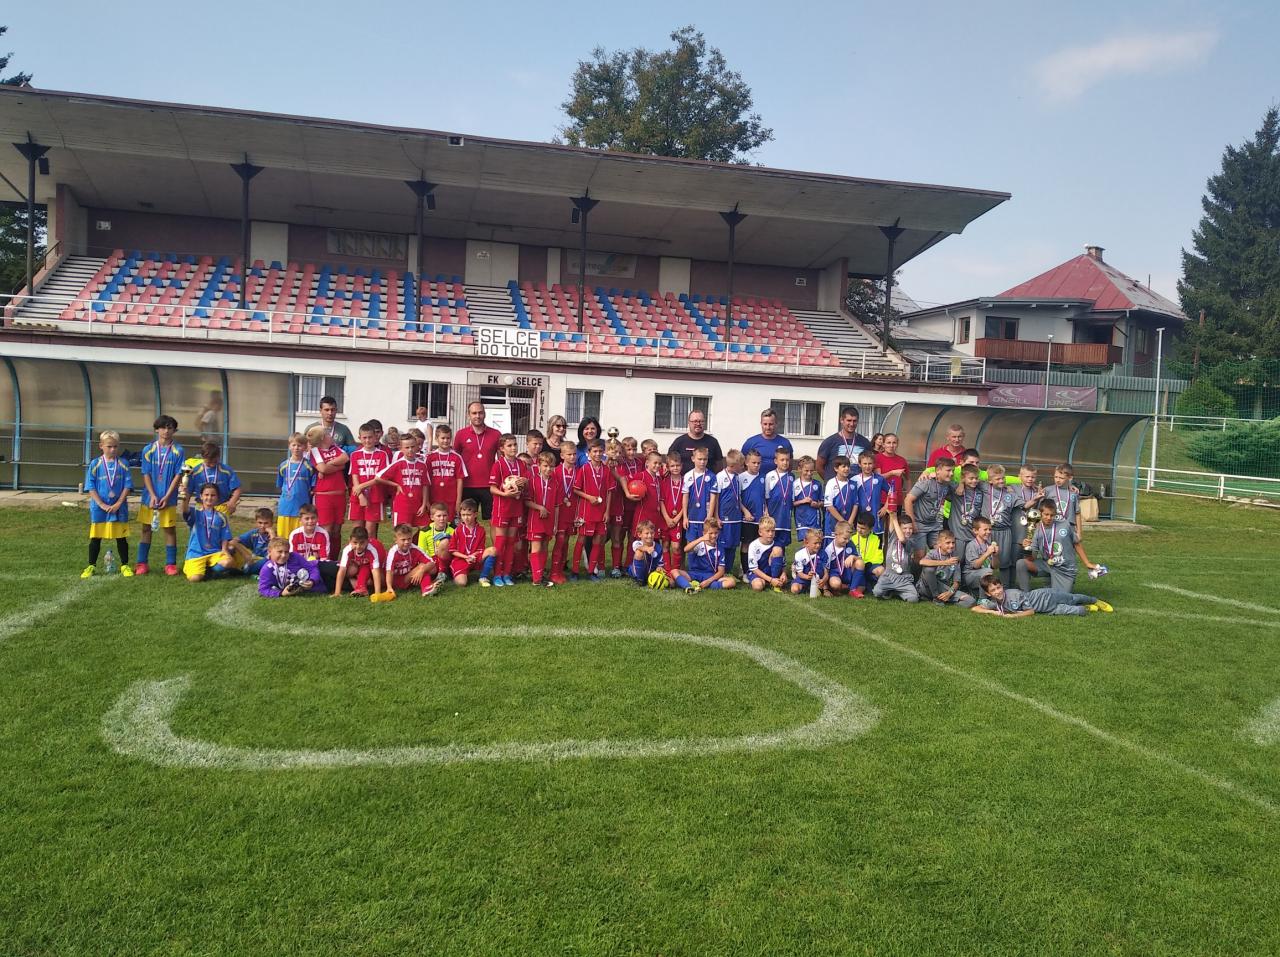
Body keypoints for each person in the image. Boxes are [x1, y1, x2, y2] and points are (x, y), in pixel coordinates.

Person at [1015, 499, 1104, 593]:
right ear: (1040, 513)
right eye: (1046, 514)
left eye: (1052, 515)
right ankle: (1025, 595)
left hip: (1065, 568)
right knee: (1021, 563)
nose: (1049, 518)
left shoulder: (1065, 525)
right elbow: (1032, 558)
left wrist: (1087, 563)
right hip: (1047, 564)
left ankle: (1058, 586)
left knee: (1059, 598)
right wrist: (1026, 548)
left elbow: (1076, 543)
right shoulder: (1037, 531)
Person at [136, 414, 184, 576]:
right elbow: (146, 473)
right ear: (157, 429)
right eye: (163, 427)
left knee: (169, 530)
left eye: (170, 428)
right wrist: (152, 495)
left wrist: (167, 496)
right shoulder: (148, 450)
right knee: (146, 529)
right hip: (149, 498)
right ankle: (142, 563)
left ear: (174, 431)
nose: (166, 431)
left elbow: (178, 475)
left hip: (168, 498)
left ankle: (170, 564)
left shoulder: (178, 451)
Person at [82, 430, 133, 578]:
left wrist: (118, 503)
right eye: (109, 446)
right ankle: (91, 566)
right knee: (95, 537)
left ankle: (125, 565)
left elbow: (127, 486)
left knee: (121, 537)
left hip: (119, 508)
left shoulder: (123, 464)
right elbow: (90, 486)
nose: (113, 450)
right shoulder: (95, 464)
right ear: (101, 446)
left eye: (115, 446)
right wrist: (101, 504)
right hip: (99, 508)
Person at [488, 433, 529, 587]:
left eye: (515, 445)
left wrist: (524, 482)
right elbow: (492, 488)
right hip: (502, 508)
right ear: (502, 449)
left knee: (512, 542)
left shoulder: (521, 464)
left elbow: (525, 482)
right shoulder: (498, 465)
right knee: (501, 542)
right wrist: (504, 493)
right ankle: (497, 574)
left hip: (516, 508)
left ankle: (506, 573)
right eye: (509, 446)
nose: (513, 448)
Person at [180, 482, 238, 582]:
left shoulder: (221, 516)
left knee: (229, 562)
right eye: (206, 495)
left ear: (217, 497)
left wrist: (225, 550)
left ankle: (210, 570)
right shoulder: (195, 513)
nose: (209, 498)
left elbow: (225, 536)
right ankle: (194, 567)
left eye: (213, 495)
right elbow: (185, 510)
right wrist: (184, 497)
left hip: (214, 552)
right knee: (195, 579)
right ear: (201, 496)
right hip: (197, 553)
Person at [973, 576, 1113, 617]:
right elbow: (975, 608)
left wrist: (1013, 616)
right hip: (1047, 610)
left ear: (1002, 586)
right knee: (1077, 611)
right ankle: (1087, 607)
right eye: (993, 590)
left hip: (1048, 596)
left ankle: (1095, 600)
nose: (997, 591)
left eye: (998, 587)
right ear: (988, 594)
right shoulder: (995, 603)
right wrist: (991, 612)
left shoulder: (1013, 594)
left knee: (1073, 598)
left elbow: (1030, 611)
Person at [453, 401, 502, 519]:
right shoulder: (461, 434)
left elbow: (501, 460)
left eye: (480, 413)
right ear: (468, 415)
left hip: (490, 485)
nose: (477, 416)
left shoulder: (496, 434)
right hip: (467, 484)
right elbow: (455, 460)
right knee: (467, 519)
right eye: (474, 413)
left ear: (485, 414)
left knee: (493, 520)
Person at [306, 425, 348, 558]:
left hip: (339, 494)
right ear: (322, 438)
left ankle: (334, 560)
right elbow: (322, 469)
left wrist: (328, 465)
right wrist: (337, 466)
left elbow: (345, 459)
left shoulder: (335, 448)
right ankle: (325, 558)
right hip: (324, 496)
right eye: (329, 435)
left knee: (337, 530)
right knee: (326, 530)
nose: (332, 437)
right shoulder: (315, 451)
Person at [572, 438, 610, 581]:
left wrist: (607, 511)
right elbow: (576, 489)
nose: (598, 454)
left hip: (601, 511)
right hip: (586, 510)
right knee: (581, 539)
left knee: (598, 540)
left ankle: (591, 572)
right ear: (589, 453)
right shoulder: (584, 469)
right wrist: (589, 497)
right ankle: (575, 571)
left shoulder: (606, 470)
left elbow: (609, 492)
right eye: (595, 451)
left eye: (600, 451)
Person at [375, 523, 442, 599]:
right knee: (422, 567)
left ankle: (426, 589)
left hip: (406, 578)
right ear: (396, 540)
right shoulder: (393, 552)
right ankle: (427, 586)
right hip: (392, 579)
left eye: (409, 539)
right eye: (403, 540)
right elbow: (389, 571)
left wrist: (422, 571)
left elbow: (432, 563)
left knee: (426, 567)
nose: (407, 542)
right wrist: (389, 587)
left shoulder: (415, 548)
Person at [348, 421, 391, 541]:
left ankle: (371, 553)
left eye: (370, 437)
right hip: (358, 496)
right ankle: (355, 552)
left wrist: (360, 487)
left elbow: (380, 478)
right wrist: (360, 494)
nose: (367, 440)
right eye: (364, 438)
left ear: (375, 437)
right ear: (359, 438)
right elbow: (354, 475)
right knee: (357, 530)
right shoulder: (355, 454)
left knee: (370, 531)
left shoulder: (382, 454)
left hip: (375, 496)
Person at [526, 450, 562, 587]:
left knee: (545, 546)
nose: (548, 469)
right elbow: (526, 501)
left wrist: (556, 524)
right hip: (535, 519)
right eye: (545, 466)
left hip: (550, 520)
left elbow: (557, 505)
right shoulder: (532, 480)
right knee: (536, 547)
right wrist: (540, 507)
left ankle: (540, 574)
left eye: (551, 466)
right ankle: (537, 579)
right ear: (539, 465)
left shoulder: (555, 482)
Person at [377, 433, 428, 530]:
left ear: (417, 447)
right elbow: (378, 477)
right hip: (402, 505)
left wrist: (424, 504)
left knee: (425, 530)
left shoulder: (422, 465)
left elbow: (425, 485)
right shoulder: (398, 464)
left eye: (412, 446)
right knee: (403, 532)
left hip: (418, 504)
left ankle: (415, 541)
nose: (410, 450)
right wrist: (396, 485)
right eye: (407, 447)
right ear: (401, 448)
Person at [904, 456, 953, 556]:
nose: (951, 473)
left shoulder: (947, 485)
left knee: (941, 552)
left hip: (935, 524)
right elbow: (908, 500)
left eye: (953, 471)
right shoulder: (926, 482)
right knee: (920, 556)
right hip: (920, 524)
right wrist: (912, 523)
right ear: (938, 470)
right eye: (948, 470)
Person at [673, 518, 736, 592]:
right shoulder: (700, 544)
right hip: (694, 574)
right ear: (704, 533)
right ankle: (689, 587)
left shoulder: (720, 548)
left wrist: (708, 581)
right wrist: (701, 539)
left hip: (710, 576)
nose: (714, 536)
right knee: (674, 571)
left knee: (731, 582)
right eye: (710, 533)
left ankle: (702, 585)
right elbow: (686, 549)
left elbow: (721, 571)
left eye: (716, 533)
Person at [612, 436, 644, 577]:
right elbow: (621, 478)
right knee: (619, 536)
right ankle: (616, 565)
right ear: (623, 450)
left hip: (637, 505)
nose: (631, 452)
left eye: (634, 449)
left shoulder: (640, 462)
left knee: (633, 536)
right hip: (622, 504)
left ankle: (628, 564)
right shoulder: (620, 463)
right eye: (628, 449)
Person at [917, 529, 975, 606]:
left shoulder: (954, 558)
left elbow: (956, 582)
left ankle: (942, 598)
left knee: (970, 600)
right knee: (929, 569)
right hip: (926, 587)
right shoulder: (933, 553)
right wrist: (945, 562)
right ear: (939, 543)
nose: (951, 545)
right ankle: (936, 597)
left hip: (943, 588)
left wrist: (950, 593)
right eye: (948, 543)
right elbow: (922, 562)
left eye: (953, 543)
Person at [275, 433, 316, 539]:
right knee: (283, 538)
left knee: (299, 538)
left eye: (299, 445)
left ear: (305, 447)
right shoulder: (283, 465)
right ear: (289, 446)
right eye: (294, 445)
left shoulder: (309, 466)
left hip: (302, 508)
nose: (296, 448)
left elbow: (313, 487)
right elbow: (280, 485)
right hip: (285, 508)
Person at [258, 537, 330, 598]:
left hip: (322, 569)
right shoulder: (267, 569)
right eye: (279, 552)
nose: (283, 555)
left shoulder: (294, 556)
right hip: (325, 586)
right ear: (269, 552)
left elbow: (312, 569)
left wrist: (312, 581)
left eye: (286, 552)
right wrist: (281, 593)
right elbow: (263, 590)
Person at [873, 511, 919, 602]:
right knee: (877, 592)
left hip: (904, 578)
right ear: (898, 528)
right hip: (889, 576)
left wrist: (894, 519)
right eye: (905, 528)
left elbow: (902, 539)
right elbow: (892, 519)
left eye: (910, 528)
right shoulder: (893, 536)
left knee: (913, 599)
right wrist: (892, 513)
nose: (908, 531)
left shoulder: (911, 540)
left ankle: (897, 591)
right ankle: (892, 590)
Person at [550, 440, 579, 585]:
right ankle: (554, 572)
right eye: (569, 454)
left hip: (572, 512)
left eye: (574, 454)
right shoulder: (555, 471)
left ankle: (560, 569)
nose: (572, 457)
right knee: (560, 540)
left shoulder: (579, 472)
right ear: (562, 455)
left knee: (566, 541)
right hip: (559, 511)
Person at [816, 407, 872, 479]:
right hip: (836, 485)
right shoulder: (829, 442)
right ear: (841, 420)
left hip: (857, 484)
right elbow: (819, 466)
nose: (852, 424)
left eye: (854, 421)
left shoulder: (865, 442)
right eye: (849, 420)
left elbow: (870, 463)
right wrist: (830, 481)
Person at [332, 526, 387, 597]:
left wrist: (377, 593)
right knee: (352, 569)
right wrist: (337, 592)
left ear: (367, 541)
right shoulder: (347, 550)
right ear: (350, 541)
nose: (358, 546)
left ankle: (362, 588)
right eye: (355, 542)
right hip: (359, 569)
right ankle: (361, 588)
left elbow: (375, 571)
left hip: (378, 568)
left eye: (362, 543)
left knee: (366, 569)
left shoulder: (372, 550)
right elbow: (342, 570)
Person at [191, 441, 243, 517]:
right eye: (209, 462)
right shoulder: (195, 472)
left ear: (219, 457)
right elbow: (188, 491)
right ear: (203, 457)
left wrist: (232, 502)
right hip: (201, 507)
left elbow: (237, 488)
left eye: (215, 461)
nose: (212, 465)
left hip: (222, 507)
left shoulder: (227, 470)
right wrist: (185, 507)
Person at [453, 499, 497, 587]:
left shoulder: (481, 530)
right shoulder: (457, 530)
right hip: (461, 559)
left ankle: (483, 577)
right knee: (461, 583)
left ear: (475, 514)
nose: (466, 518)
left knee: (493, 550)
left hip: (475, 557)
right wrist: (466, 557)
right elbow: (453, 550)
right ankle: (462, 573)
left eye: (469, 515)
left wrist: (472, 556)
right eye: (463, 515)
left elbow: (480, 549)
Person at [714, 449, 745, 575]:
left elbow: (738, 497)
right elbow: (716, 499)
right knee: (724, 545)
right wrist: (717, 517)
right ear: (733, 465)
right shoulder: (720, 477)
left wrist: (744, 511)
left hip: (736, 518)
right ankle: (721, 571)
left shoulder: (737, 477)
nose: (742, 467)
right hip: (724, 519)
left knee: (733, 545)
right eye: (741, 465)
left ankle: (729, 571)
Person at [668, 409, 724, 473]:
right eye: (695, 421)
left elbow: (719, 465)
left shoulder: (713, 442)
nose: (698, 424)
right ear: (689, 422)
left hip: (707, 479)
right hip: (684, 479)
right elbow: (669, 462)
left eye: (701, 421)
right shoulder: (679, 442)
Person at [682, 445, 718, 543]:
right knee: (691, 545)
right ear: (693, 459)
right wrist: (685, 517)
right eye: (700, 459)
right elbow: (685, 497)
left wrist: (709, 516)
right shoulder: (688, 476)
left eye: (705, 459)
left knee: (706, 545)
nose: (702, 462)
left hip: (705, 518)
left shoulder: (712, 476)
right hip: (692, 518)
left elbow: (713, 498)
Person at [738, 449, 765, 575]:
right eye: (754, 463)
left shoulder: (764, 478)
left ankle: (757, 570)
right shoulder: (741, 478)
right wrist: (745, 511)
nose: (756, 465)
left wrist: (766, 512)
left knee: (758, 544)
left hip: (760, 519)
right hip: (747, 518)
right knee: (746, 544)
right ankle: (744, 571)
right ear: (746, 463)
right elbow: (737, 498)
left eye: (759, 463)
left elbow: (765, 497)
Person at [762, 448, 795, 550]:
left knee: (782, 545)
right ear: (776, 461)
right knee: (770, 543)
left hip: (785, 518)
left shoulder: (792, 477)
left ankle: (781, 560)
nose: (785, 462)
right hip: (773, 516)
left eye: (787, 460)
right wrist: (766, 511)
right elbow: (765, 496)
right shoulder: (770, 476)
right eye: (782, 460)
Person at [659, 451, 685, 573]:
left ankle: (675, 571)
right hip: (665, 519)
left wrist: (677, 518)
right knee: (665, 545)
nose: (675, 468)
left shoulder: (685, 481)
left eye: (677, 465)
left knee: (676, 547)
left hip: (677, 519)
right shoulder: (664, 482)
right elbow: (661, 501)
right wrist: (667, 518)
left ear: (682, 466)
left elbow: (686, 503)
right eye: (672, 466)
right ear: (668, 467)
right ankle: (667, 570)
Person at [852, 451, 888, 539]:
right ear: (859, 464)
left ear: (874, 464)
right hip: (859, 517)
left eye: (870, 463)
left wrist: (885, 507)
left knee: (876, 542)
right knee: (859, 542)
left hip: (875, 516)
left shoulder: (879, 479)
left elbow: (892, 492)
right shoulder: (854, 480)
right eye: (865, 464)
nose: (867, 466)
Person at [747, 516, 787, 592]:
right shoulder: (753, 545)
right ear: (760, 532)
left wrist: (783, 573)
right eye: (768, 531)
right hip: (759, 573)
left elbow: (783, 564)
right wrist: (771, 580)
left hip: (772, 572)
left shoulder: (778, 544)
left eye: (773, 531)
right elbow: (754, 569)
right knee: (758, 586)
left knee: (777, 550)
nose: (771, 534)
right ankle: (770, 582)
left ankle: (775, 581)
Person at [822, 455, 856, 545]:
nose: (847, 469)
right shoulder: (831, 483)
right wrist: (843, 522)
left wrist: (850, 522)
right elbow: (829, 506)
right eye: (843, 466)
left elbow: (856, 504)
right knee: (832, 547)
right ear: (836, 468)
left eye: (848, 466)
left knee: (847, 546)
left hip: (848, 523)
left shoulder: (853, 484)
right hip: (833, 523)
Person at [232, 507, 275, 576]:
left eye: (266, 523)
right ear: (256, 522)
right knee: (232, 548)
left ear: (272, 523)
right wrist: (246, 555)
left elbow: (275, 550)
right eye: (260, 523)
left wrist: (272, 535)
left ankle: (246, 570)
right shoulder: (253, 533)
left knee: (270, 560)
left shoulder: (275, 535)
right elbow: (233, 541)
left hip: (267, 560)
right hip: (254, 559)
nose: (262, 526)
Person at [962, 516, 1000, 593]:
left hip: (985, 572)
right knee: (987, 572)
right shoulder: (972, 545)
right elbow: (975, 565)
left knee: (995, 573)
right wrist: (987, 553)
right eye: (985, 529)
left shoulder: (989, 544)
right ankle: (982, 598)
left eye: (990, 529)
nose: (988, 532)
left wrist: (995, 555)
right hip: (970, 575)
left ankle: (990, 594)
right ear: (975, 531)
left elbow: (995, 567)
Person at [850, 509, 884, 596]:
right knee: (860, 589)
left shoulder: (877, 538)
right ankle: (863, 586)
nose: (859, 530)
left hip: (870, 566)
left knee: (881, 570)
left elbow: (879, 558)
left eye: (863, 528)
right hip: (858, 568)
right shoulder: (852, 538)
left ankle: (879, 588)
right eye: (858, 527)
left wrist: (866, 564)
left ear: (871, 529)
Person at [822, 521, 859, 597]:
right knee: (835, 584)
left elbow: (859, 558)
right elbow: (825, 570)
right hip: (835, 573)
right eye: (845, 538)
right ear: (836, 535)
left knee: (859, 562)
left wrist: (853, 556)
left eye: (849, 538)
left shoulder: (850, 544)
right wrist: (825, 589)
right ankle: (842, 587)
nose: (847, 541)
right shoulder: (829, 549)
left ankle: (852, 588)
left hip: (847, 571)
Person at [792, 456, 823, 545]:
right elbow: (791, 503)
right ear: (799, 469)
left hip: (815, 520)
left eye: (811, 471)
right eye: (806, 470)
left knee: (816, 543)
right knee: (805, 544)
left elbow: (822, 501)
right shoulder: (795, 484)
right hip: (801, 520)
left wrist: (817, 504)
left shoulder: (817, 484)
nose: (809, 473)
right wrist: (802, 501)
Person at [874, 432, 910, 505]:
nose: (891, 445)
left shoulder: (902, 460)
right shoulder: (877, 458)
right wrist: (892, 473)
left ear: (897, 444)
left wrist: (908, 495)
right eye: (888, 443)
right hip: (881, 500)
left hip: (897, 500)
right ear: (883, 444)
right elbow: (878, 478)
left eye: (894, 443)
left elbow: (908, 479)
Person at [627, 520, 665, 585]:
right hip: (637, 571)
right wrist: (647, 549)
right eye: (647, 533)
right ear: (639, 534)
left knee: (670, 582)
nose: (650, 536)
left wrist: (659, 567)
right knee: (639, 552)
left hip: (652, 572)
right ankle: (640, 580)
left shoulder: (658, 547)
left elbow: (660, 563)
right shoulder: (637, 543)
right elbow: (638, 547)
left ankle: (649, 578)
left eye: (652, 533)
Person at [790, 529, 825, 596]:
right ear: (806, 543)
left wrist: (823, 580)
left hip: (819, 580)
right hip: (804, 577)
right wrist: (807, 577)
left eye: (820, 543)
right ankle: (806, 587)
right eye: (815, 543)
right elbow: (800, 573)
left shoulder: (823, 553)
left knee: (829, 587)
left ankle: (822, 589)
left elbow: (826, 572)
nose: (818, 545)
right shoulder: (799, 554)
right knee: (794, 589)